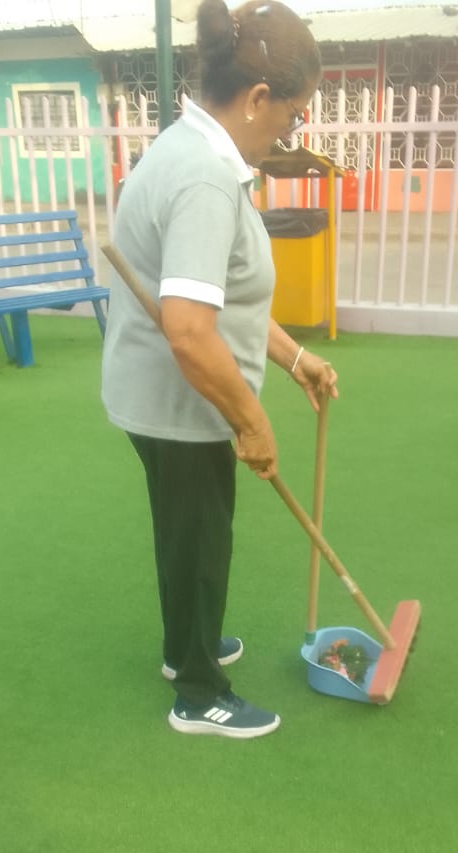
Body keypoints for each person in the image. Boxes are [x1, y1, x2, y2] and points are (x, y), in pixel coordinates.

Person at [102, 0, 338, 740]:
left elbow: (221, 295)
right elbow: (189, 331)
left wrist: (294, 357)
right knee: (201, 538)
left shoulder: (194, 148)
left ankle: (187, 648)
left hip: (170, 393)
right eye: (292, 116)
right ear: (258, 97)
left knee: (187, 533)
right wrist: (250, 420)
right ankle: (199, 695)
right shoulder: (205, 178)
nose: (290, 132)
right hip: (181, 402)